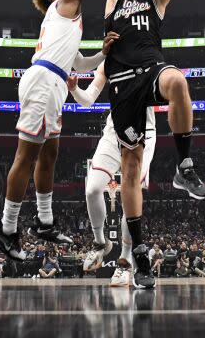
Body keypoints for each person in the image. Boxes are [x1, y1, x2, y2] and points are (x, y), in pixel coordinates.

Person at [0, 0, 146, 262]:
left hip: (55, 82)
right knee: (26, 155)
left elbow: (80, 63)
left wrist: (103, 53)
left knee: (51, 152)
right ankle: (7, 227)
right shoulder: (64, 5)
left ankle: (44, 221)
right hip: (44, 81)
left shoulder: (65, 26)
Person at [101, 0, 205, 289]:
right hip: (120, 85)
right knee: (130, 171)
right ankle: (141, 252)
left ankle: (184, 165)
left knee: (178, 82)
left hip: (150, 70)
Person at [67, 62, 156, 277]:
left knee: (129, 197)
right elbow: (87, 100)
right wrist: (73, 89)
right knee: (92, 189)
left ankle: (125, 258)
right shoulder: (108, 64)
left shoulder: (148, 59)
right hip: (113, 132)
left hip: (143, 133)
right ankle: (100, 243)